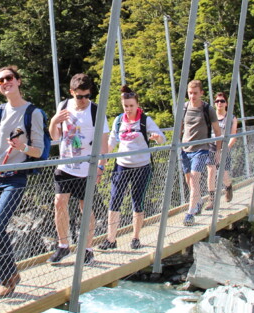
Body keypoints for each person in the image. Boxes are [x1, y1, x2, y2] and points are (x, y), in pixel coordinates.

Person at [0, 65, 45, 299]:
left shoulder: (33, 113)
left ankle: (7, 277)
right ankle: (0, 278)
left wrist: (21, 147)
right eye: (0, 81)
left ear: (18, 80)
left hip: (14, 177)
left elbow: (38, 151)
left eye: (9, 78)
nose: (5, 82)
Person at [48, 73, 109, 266]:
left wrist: (101, 166)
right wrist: (54, 121)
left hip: (86, 168)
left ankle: (87, 249)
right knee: (59, 202)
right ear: (71, 92)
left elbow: (104, 143)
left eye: (87, 96)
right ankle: (63, 245)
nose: (83, 100)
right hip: (65, 165)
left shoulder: (96, 111)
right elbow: (55, 137)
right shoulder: (63, 106)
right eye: (79, 96)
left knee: (86, 207)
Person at [99, 85, 165, 250]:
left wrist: (156, 137)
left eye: (131, 106)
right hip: (121, 166)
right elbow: (111, 142)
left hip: (141, 167)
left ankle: (135, 238)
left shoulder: (145, 120)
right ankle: (111, 239)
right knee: (115, 200)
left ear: (137, 105)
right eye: (125, 106)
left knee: (137, 201)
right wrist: (102, 160)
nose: (128, 109)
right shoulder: (118, 120)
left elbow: (162, 139)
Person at [180, 80, 222, 226]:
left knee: (194, 179)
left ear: (201, 93)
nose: (192, 96)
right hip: (185, 150)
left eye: (195, 93)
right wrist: (176, 147)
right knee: (189, 181)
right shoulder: (184, 108)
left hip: (201, 149)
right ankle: (198, 202)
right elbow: (179, 128)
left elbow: (217, 131)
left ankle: (190, 213)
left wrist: (218, 151)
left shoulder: (207, 109)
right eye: (190, 93)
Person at [205, 91, 238, 210]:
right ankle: (211, 200)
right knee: (211, 172)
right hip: (211, 146)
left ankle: (228, 187)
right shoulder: (210, 117)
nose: (219, 103)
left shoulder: (231, 118)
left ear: (226, 103)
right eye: (217, 101)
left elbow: (233, 136)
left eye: (222, 101)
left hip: (224, 147)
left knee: (224, 174)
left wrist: (226, 148)